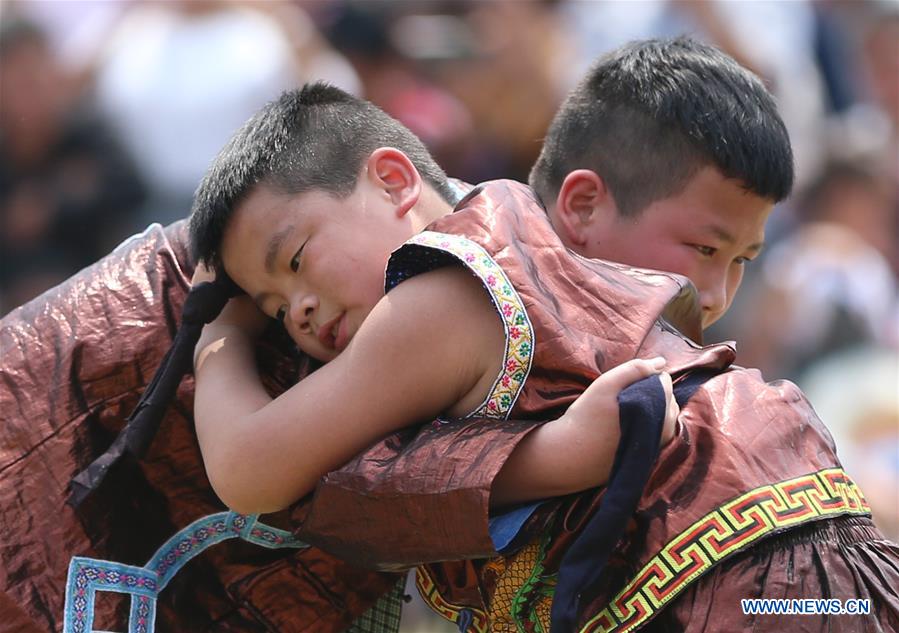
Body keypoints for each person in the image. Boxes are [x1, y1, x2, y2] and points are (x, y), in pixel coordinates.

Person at [267, 40, 897, 631]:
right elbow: (291, 480)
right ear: (583, 205)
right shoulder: (477, 299)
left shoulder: (724, 409)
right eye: (706, 249)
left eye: (741, 261)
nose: (715, 294)